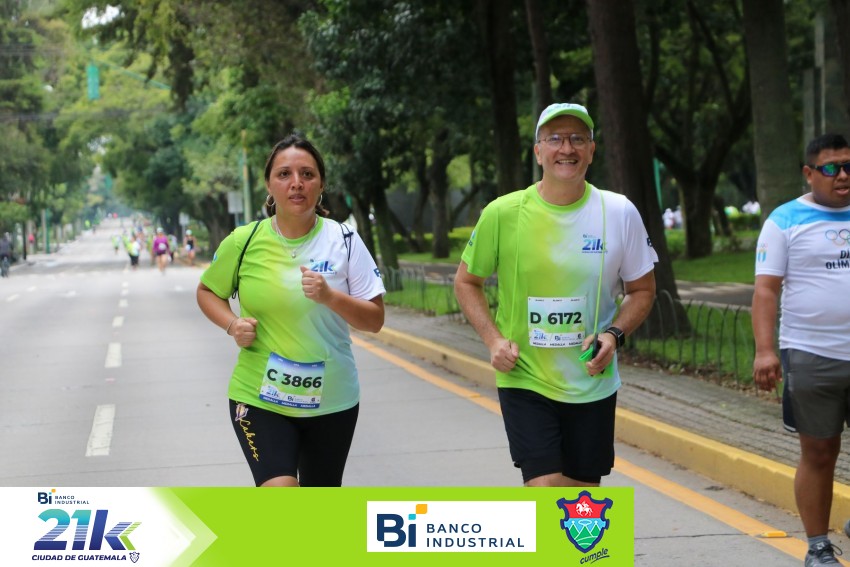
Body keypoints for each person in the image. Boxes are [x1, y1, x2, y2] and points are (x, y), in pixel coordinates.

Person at [454, 103, 657, 487]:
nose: (567, 148)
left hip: (591, 379)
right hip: (525, 376)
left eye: (578, 139)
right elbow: (466, 281)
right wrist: (493, 340)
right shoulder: (503, 213)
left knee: (581, 503)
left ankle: (565, 533)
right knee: (545, 486)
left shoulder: (618, 212)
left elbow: (643, 290)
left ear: (591, 150)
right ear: (538, 152)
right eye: (555, 139)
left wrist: (613, 335)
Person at [196, 134, 386, 487]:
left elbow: (374, 320)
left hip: (332, 401)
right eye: (284, 174)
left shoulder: (344, 240)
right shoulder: (244, 241)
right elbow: (207, 291)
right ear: (269, 185)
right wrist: (232, 324)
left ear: (321, 185)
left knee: (315, 511)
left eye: (307, 174)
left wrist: (330, 297)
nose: (296, 183)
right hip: (259, 398)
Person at [752, 133, 850, 567]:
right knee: (820, 453)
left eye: (848, 166)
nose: (842, 175)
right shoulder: (784, 220)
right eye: (831, 168)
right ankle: (818, 546)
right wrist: (765, 350)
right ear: (810, 173)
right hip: (812, 354)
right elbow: (765, 291)